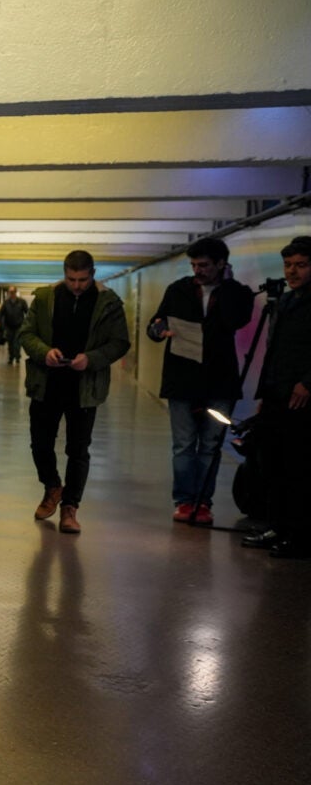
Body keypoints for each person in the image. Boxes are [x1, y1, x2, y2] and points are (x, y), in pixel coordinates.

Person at [17, 250, 130, 534]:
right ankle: (53, 486)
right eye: (71, 279)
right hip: (46, 383)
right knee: (40, 444)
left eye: (82, 279)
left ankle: (70, 508)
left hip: (84, 388)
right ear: (64, 273)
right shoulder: (45, 298)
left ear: (93, 274)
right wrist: (45, 353)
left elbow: (120, 342)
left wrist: (90, 359)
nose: (77, 285)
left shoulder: (109, 302)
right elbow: (26, 334)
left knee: (78, 449)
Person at [145, 237, 256, 525]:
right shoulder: (178, 289)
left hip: (219, 381)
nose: (198, 270)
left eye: (205, 265)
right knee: (183, 444)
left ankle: (203, 503)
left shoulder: (238, 293)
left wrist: (226, 286)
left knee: (210, 444)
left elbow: (235, 320)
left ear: (222, 264)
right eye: (194, 265)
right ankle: (184, 501)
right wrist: (158, 330)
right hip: (182, 378)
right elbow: (155, 324)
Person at [239, 236, 311, 558]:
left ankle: (298, 534)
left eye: (301, 265)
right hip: (277, 395)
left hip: (302, 399)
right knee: (273, 464)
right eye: (288, 265)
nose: (292, 271)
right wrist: (266, 393)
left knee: (297, 466)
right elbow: (275, 351)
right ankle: (278, 526)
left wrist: (308, 382)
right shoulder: (287, 300)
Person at [1, 290, 28, 365]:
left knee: (17, 343)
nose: (12, 294)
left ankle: (17, 357)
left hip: (19, 326)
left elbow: (27, 312)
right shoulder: (6, 302)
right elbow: (1, 313)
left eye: (13, 292)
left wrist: (27, 323)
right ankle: (11, 357)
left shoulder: (22, 302)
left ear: (15, 293)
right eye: (10, 293)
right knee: (10, 343)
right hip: (9, 326)